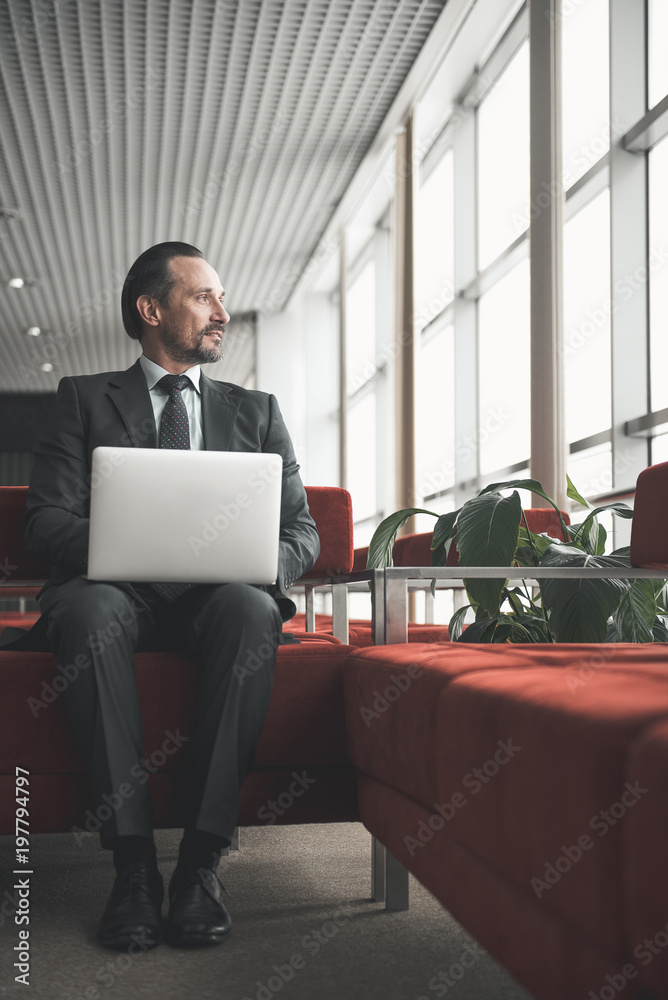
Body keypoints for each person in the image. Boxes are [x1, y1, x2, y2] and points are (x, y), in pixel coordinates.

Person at [19, 242, 320, 951]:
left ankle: (199, 864)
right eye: (203, 297)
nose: (221, 312)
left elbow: (302, 530)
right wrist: (129, 548)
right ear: (150, 310)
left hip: (218, 599)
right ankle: (132, 869)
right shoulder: (84, 399)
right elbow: (44, 522)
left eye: (221, 298)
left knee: (251, 607)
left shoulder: (257, 412)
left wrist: (256, 559)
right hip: (113, 594)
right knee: (89, 609)